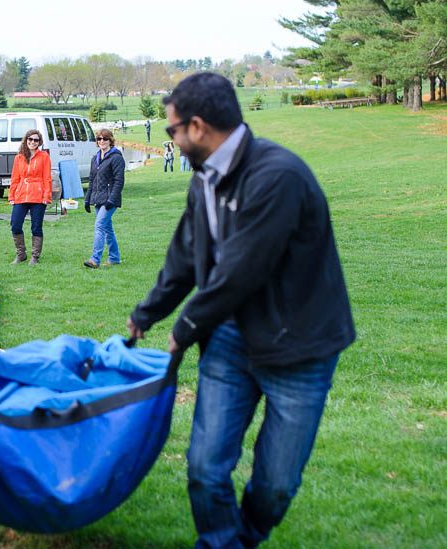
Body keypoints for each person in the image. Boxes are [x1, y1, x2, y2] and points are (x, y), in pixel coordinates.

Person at [127, 73, 355, 548]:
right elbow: (187, 254)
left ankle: (242, 538)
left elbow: (242, 269)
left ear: (197, 126)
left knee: (274, 486)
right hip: (231, 341)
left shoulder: (278, 176)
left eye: (171, 131)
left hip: (299, 346)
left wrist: (185, 326)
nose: (170, 139)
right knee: (205, 469)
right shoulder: (204, 176)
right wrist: (147, 313)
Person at [8, 129, 52, 265]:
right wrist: (11, 196)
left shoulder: (44, 156)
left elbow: (47, 178)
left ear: (39, 142)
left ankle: (35, 257)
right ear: (26, 140)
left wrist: (46, 195)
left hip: (38, 196)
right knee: (15, 225)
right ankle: (21, 254)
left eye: (36, 140)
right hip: (21, 195)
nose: (32, 142)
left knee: (36, 227)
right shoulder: (19, 157)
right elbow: (15, 178)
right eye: (30, 139)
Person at [83, 129, 124, 268]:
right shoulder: (95, 158)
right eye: (99, 139)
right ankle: (114, 257)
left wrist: (111, 200)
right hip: (97, 198)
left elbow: (119, 181)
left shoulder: (116, 157)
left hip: (110, 200)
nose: (101, 141)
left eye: (104, 139)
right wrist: (87, 199)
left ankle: (95, 259)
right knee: (107, 229)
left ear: (110, 140)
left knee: (99, 225)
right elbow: (92, 180)